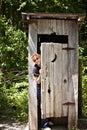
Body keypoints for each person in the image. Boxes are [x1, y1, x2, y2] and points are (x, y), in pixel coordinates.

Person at [31, 53, 51, 130]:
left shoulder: (46, 63)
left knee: (49, 103)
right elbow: (38, 82)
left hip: (49, 86)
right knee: (42, 105)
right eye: (34, 60)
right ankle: (44, 125)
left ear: (40, 57)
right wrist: (40, 74)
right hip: (40, 88)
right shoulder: (35, 68)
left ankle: (48, 120)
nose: (36, 61)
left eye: (37, 58)